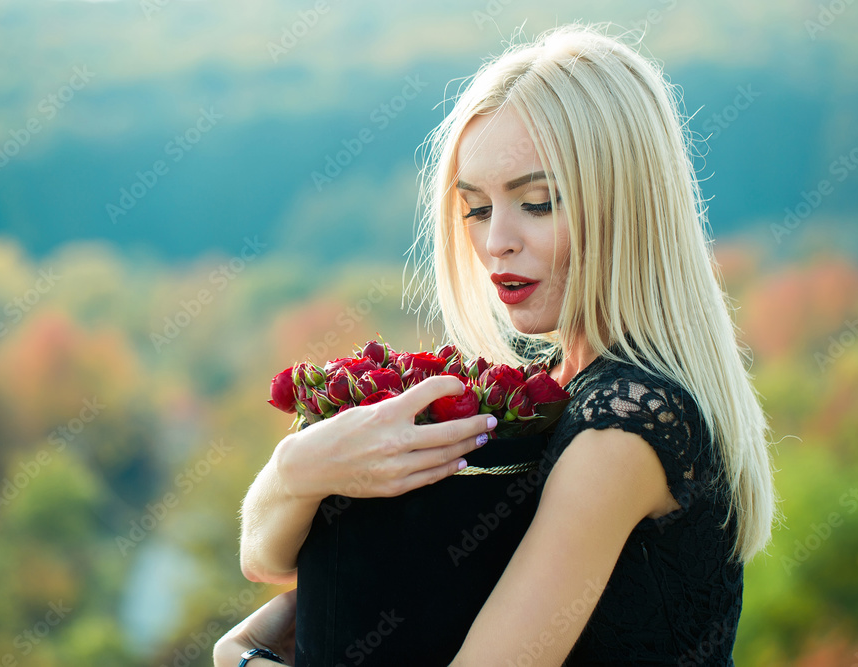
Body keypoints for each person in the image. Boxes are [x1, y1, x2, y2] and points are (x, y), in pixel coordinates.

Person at [217, 20, 777, 666]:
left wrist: (243, 662)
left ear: (626, 204)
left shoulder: (623, 427)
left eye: (537, 202)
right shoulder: (557, 382)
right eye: (477, 208)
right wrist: (304, 466)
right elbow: (264, 556)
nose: (495, 242)